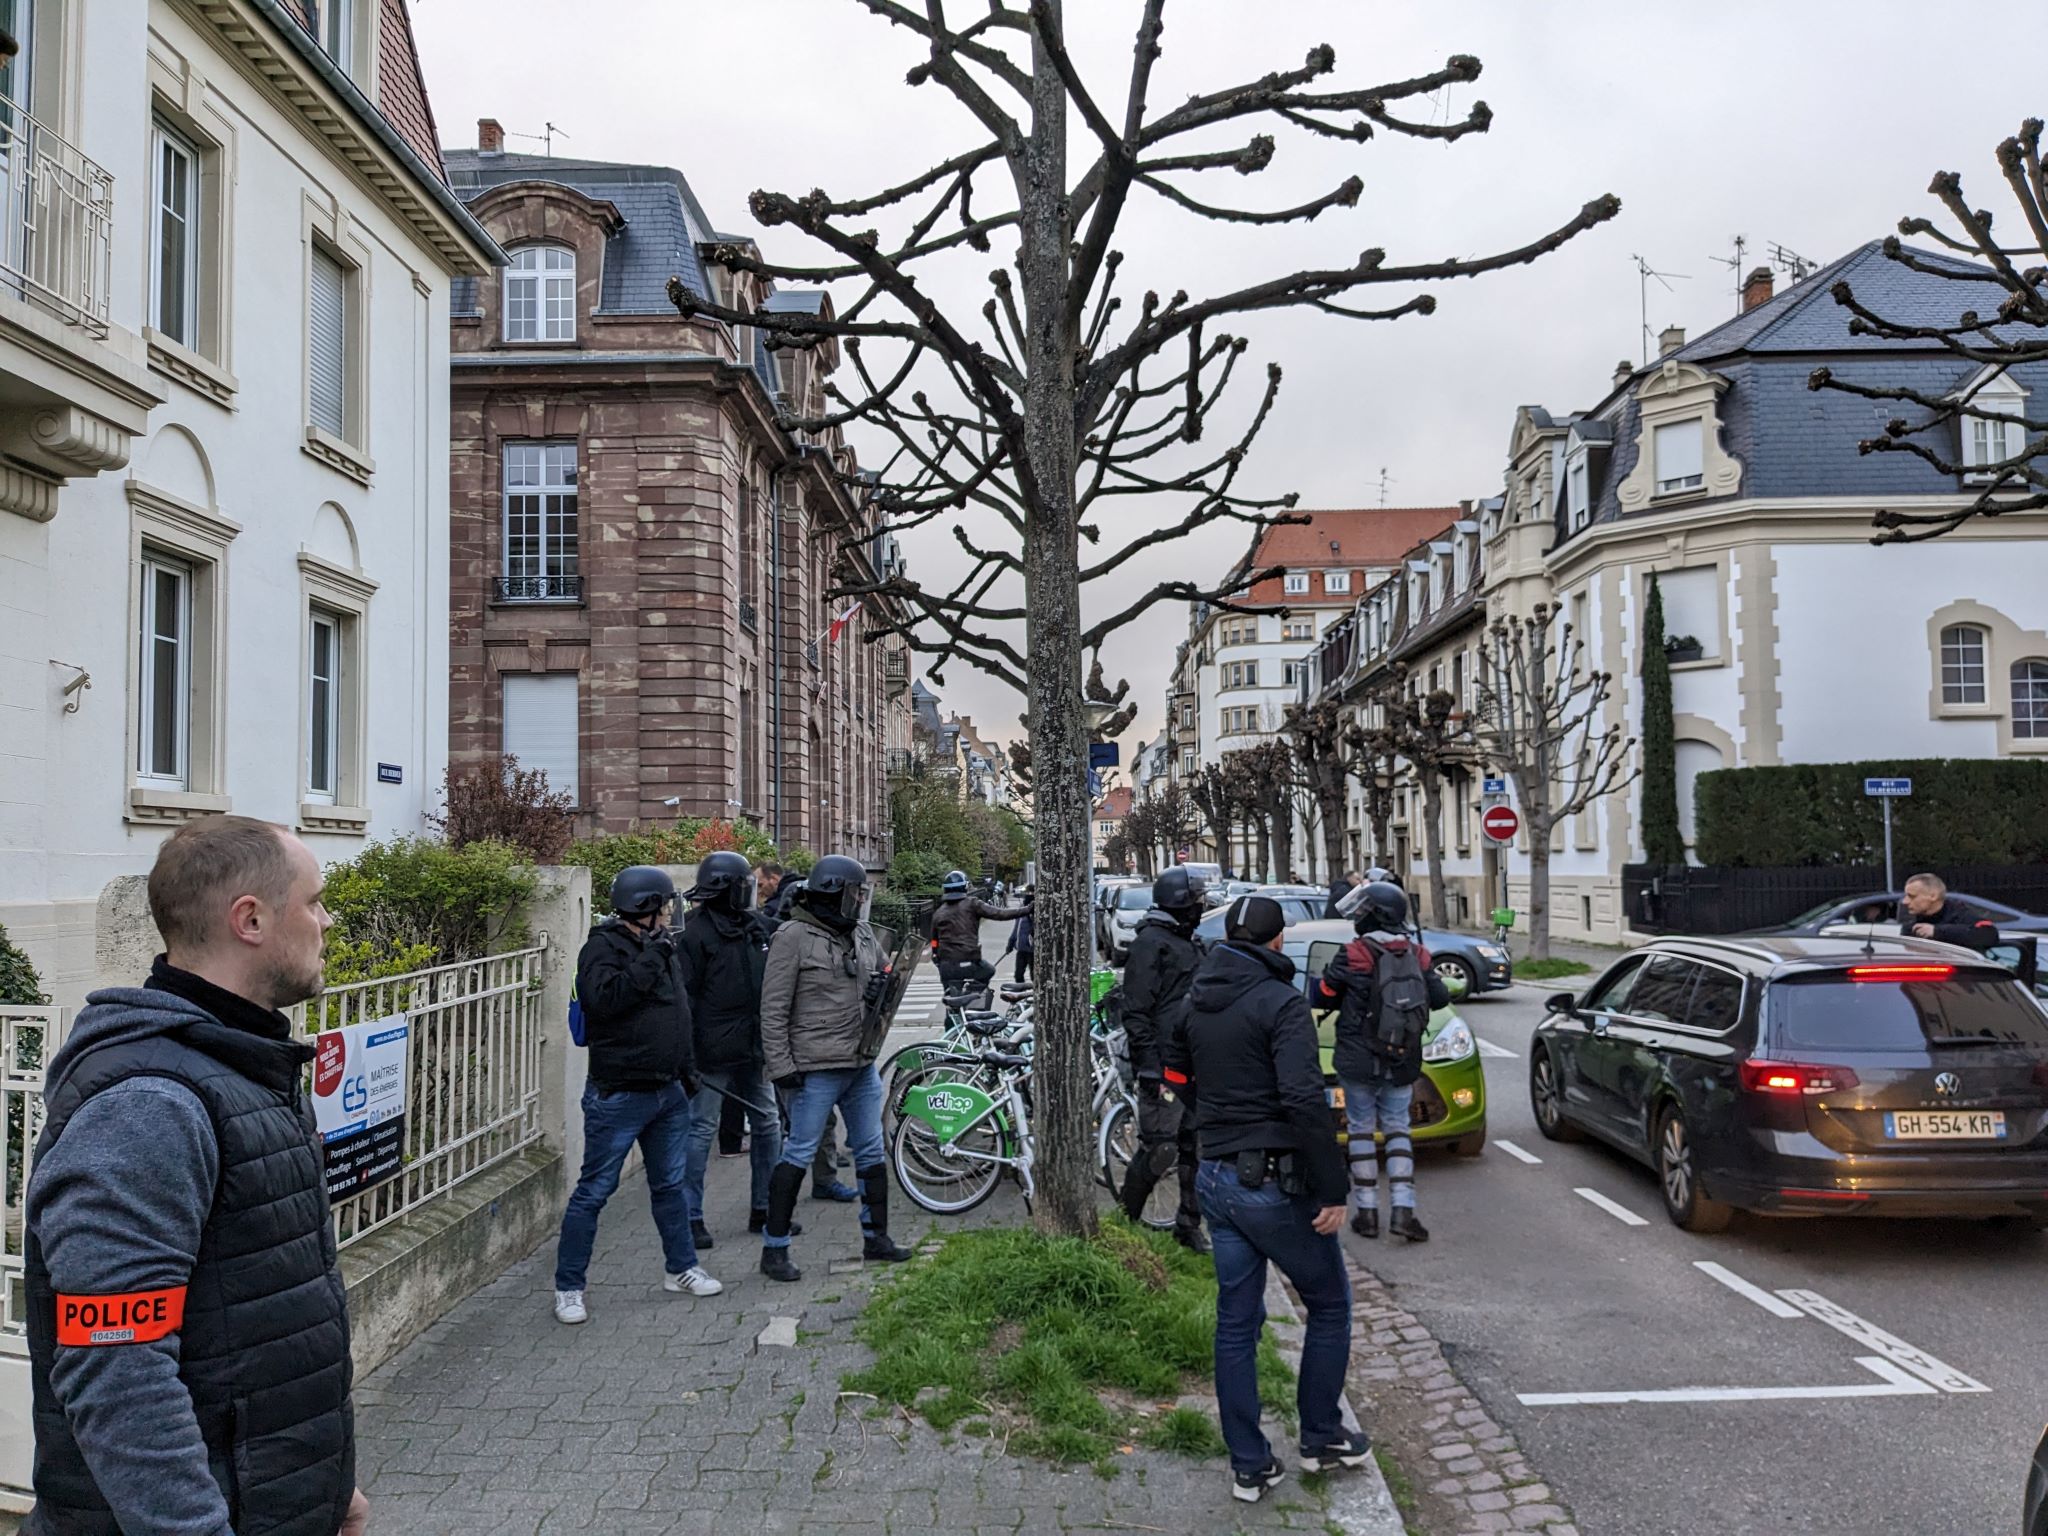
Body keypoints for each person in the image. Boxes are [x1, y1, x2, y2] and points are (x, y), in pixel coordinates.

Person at [23, 815, 370, 1535]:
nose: (327, 921)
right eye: (314, 901)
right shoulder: (151, 1104)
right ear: (251, 919)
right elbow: (120, 1375)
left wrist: (327, 1487)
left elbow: (252, 1324)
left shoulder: (238, 1063)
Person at [1169, 895, 1368, 1503]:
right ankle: (1322, 1436)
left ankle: (1249, 1464)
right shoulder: (1281, 1003)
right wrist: (1333, 1187)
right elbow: (1306, 1100)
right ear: (1278, 943)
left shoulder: (1194, 1000)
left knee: (1236, 1324)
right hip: (1272, 1187)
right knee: (1329, 1305)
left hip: (1215, 1178)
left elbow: (1173, 1074)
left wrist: (1215, 1123)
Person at [553, 866, 720, 1327]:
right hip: (619, 1096)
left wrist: (687, 1073)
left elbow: (678, 1010)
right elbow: (605, 1000)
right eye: (664, 906)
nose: (670, 914)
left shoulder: (660, 946)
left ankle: (681, 1268)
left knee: (670, 1186)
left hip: (667, 1092)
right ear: (645, 908)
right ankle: (569, 1287)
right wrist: (651, 958)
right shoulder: (601, 948)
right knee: (593, 1192)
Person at [757, 855, 914, 1281]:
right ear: (835, 892)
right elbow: (772, 1010)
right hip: (815, 1066)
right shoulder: (793, 935)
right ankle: (774, 1250)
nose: (861, 900)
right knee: (799, 1151)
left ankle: (875, 1238)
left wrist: (884, 983)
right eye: (855, 893)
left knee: (869, 1149)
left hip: (860, 1062)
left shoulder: (861, 933)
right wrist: (781, 1067)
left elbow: (882, 971)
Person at [678, 852, 799, 1251]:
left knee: (767, 1125)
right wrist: (688, 1056)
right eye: (742, 884)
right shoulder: (693, 934)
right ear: (727, 889)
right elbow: (685, 999)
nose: (749, 890)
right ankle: (690, 1217)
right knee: (700, 1130)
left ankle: (763, 1208)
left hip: (753, 1046)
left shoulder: (755, 927)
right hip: (711, 1052)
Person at [1318, 881, 1450, 1243]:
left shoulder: (1354, 953)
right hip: (1402, 1057)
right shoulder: (1418, 953)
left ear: (1372, 914)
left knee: (1360, 1128)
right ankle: (1404, 1211)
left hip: (1358, 1058)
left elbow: (1325, 992)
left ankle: (1368, 1213)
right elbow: (1438, 998)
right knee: (1398, 1129)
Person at [1120, 866, 1210, 1251]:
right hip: (1162, 1068)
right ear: (1180, 903)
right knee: (1161, 1147)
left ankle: (1188, 1226)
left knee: (1195, 1147)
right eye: (1196, 899)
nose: (1201, 906)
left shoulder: (1188, 941)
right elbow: (1137, 1012)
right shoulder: (1151, 943)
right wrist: (1149, 1067)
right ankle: (1124, 1222)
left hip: (1192, 1064)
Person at [931, 869, 1030, 995]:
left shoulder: (939, 913)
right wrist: (1027, 910)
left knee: (951, 1000)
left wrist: (936, 957)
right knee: (988, 971)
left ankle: (955, 1009)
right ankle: (971, 995)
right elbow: (999, 913)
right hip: (969, 960)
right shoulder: (972, 904)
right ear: (965, 887)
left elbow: (934, 941)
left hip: (946, 965)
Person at [1899, 873, 2002, 952]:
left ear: (1933, 896)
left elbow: (1989, 934)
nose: (1905, 901)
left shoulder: (1959, 914)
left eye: (1912, 896)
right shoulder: (1910, 922)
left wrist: (1937, 931)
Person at [1005, 887, 1036, 984]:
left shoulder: (1036, 912)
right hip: (1021, 949)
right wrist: (1011, 943)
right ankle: (1020, 995)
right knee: (1018, 975)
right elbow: (1016, 929)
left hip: (1033, 951)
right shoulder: (1021, 911)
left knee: (1034, 976)